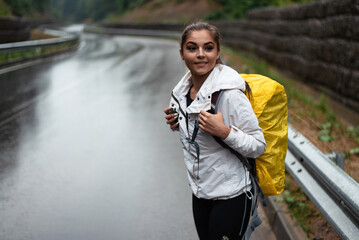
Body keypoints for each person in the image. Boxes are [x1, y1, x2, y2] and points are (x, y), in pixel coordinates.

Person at [164, 22, 266, 240]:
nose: (201, 54)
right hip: (200, 193)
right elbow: (197, 137)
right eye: (192, 48)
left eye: (208, 48)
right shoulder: (181, 94)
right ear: (181, 53)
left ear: (218, 51)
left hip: (232, 195)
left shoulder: (230, 95)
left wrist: (224, 132)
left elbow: (258, 145)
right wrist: (178, 123)